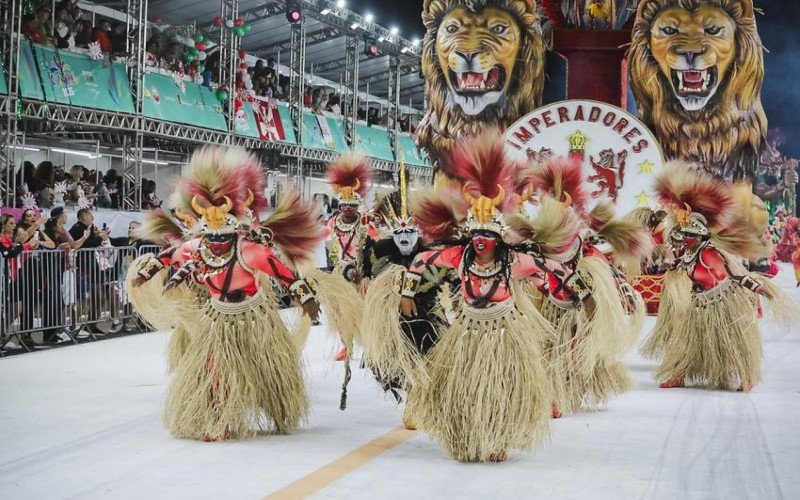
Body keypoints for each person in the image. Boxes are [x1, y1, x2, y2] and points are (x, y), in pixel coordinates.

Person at [393, 133, 579, 462]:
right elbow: (422, 260)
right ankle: (465, 435)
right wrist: (408, 292)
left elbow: (552, 266)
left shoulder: (514, 261)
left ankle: (497, 437)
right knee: (461, 387)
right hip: (466, 334)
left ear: (499, 239)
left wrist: (580, 293)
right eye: (475, 236)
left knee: (498, 387)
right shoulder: (459, 257)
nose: (480, 242)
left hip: (504, 336)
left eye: (488, 236)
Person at [126, 146, 330, 441]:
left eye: (223, 235)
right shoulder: (196, 248)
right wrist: (148, 270)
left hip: (254, 318)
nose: (218, 241)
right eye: (212, 235)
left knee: (268, 367)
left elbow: (286, 275)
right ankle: (217, 418)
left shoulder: (250, 250)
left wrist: (307, 298)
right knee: (212, 368)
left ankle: (278, 405)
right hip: (218, 320)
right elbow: (170, 255)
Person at [643, 163, 798, 392]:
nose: (684, 239)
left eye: (688, 236)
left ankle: (747, 375)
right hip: (698, 304)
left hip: (723, 303)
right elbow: (679, 265)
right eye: (683, 235)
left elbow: (736, 274)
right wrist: (666, 264)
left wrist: (759, 288)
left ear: (699, 235)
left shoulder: (712, 252)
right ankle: (681, 372)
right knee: (690, 341)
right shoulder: (689, 253)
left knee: (732, 341)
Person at [360, 166, 457, 428]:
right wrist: (361, 277)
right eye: (399, 233)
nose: (404, 238)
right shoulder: (380, 251)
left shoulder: (433, 253)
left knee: (432, 358)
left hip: (427, 318)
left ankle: (420, 400)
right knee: (389, 363)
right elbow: (363, 270)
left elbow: (455, 276)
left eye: (410, 233)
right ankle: (413, 397)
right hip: (392, 322)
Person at [1, 215, 41, 350]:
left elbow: (23, 238)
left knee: (17, 307)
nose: (14, 226)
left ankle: (2, 334)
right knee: (7, 308)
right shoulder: (2, 239)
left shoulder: (11, 239)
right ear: (3, 225)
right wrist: (27, 244)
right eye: (11, 223)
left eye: (14, 223)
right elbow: (8, 253)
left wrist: (35, 227)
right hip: (3, 279)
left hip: (12, 278)